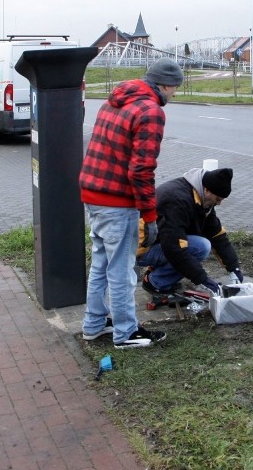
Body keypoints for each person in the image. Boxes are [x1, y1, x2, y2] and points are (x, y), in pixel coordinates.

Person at [80, 57, 184, 349]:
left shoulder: (115, 100)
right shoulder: (151, 111)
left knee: (101, 264)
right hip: (117, 201)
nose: (174, 95)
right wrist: (150, 216)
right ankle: (126, 333)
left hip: (93, 194)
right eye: (175, 89)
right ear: (166, 85)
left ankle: (94, 323)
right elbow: (142, 170)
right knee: (122, 270)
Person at [137, 167, 243, 297]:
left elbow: (217, 235)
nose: (218, 204)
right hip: (140, 249)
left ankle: (158, 273)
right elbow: (175, 249)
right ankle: (155, 282)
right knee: (200, 247)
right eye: (217, 199)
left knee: (199, 245)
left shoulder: (202, 200)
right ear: (207, 190)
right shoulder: (177, 200)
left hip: (159, 240)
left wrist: (234, 268)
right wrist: (203, 280)